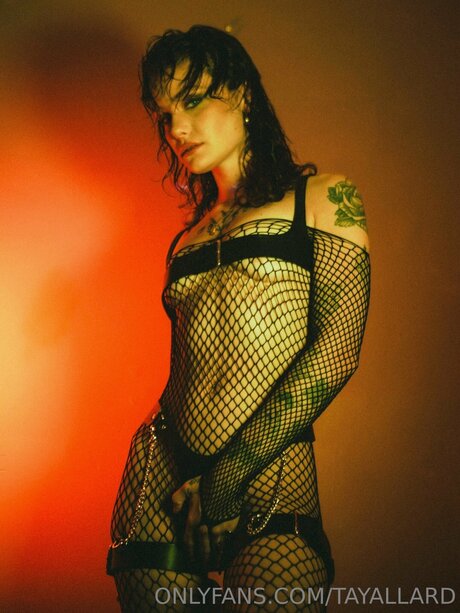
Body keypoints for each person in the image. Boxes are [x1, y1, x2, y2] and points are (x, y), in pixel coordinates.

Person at [106, 25, 371, 612]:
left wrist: (223, 484)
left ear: (243, 93)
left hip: (268, 473)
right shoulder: (186, 241)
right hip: (161, 476)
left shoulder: (321, 200)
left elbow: (336, 352)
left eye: (193, 100)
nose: (177, 128)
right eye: (165, 114)